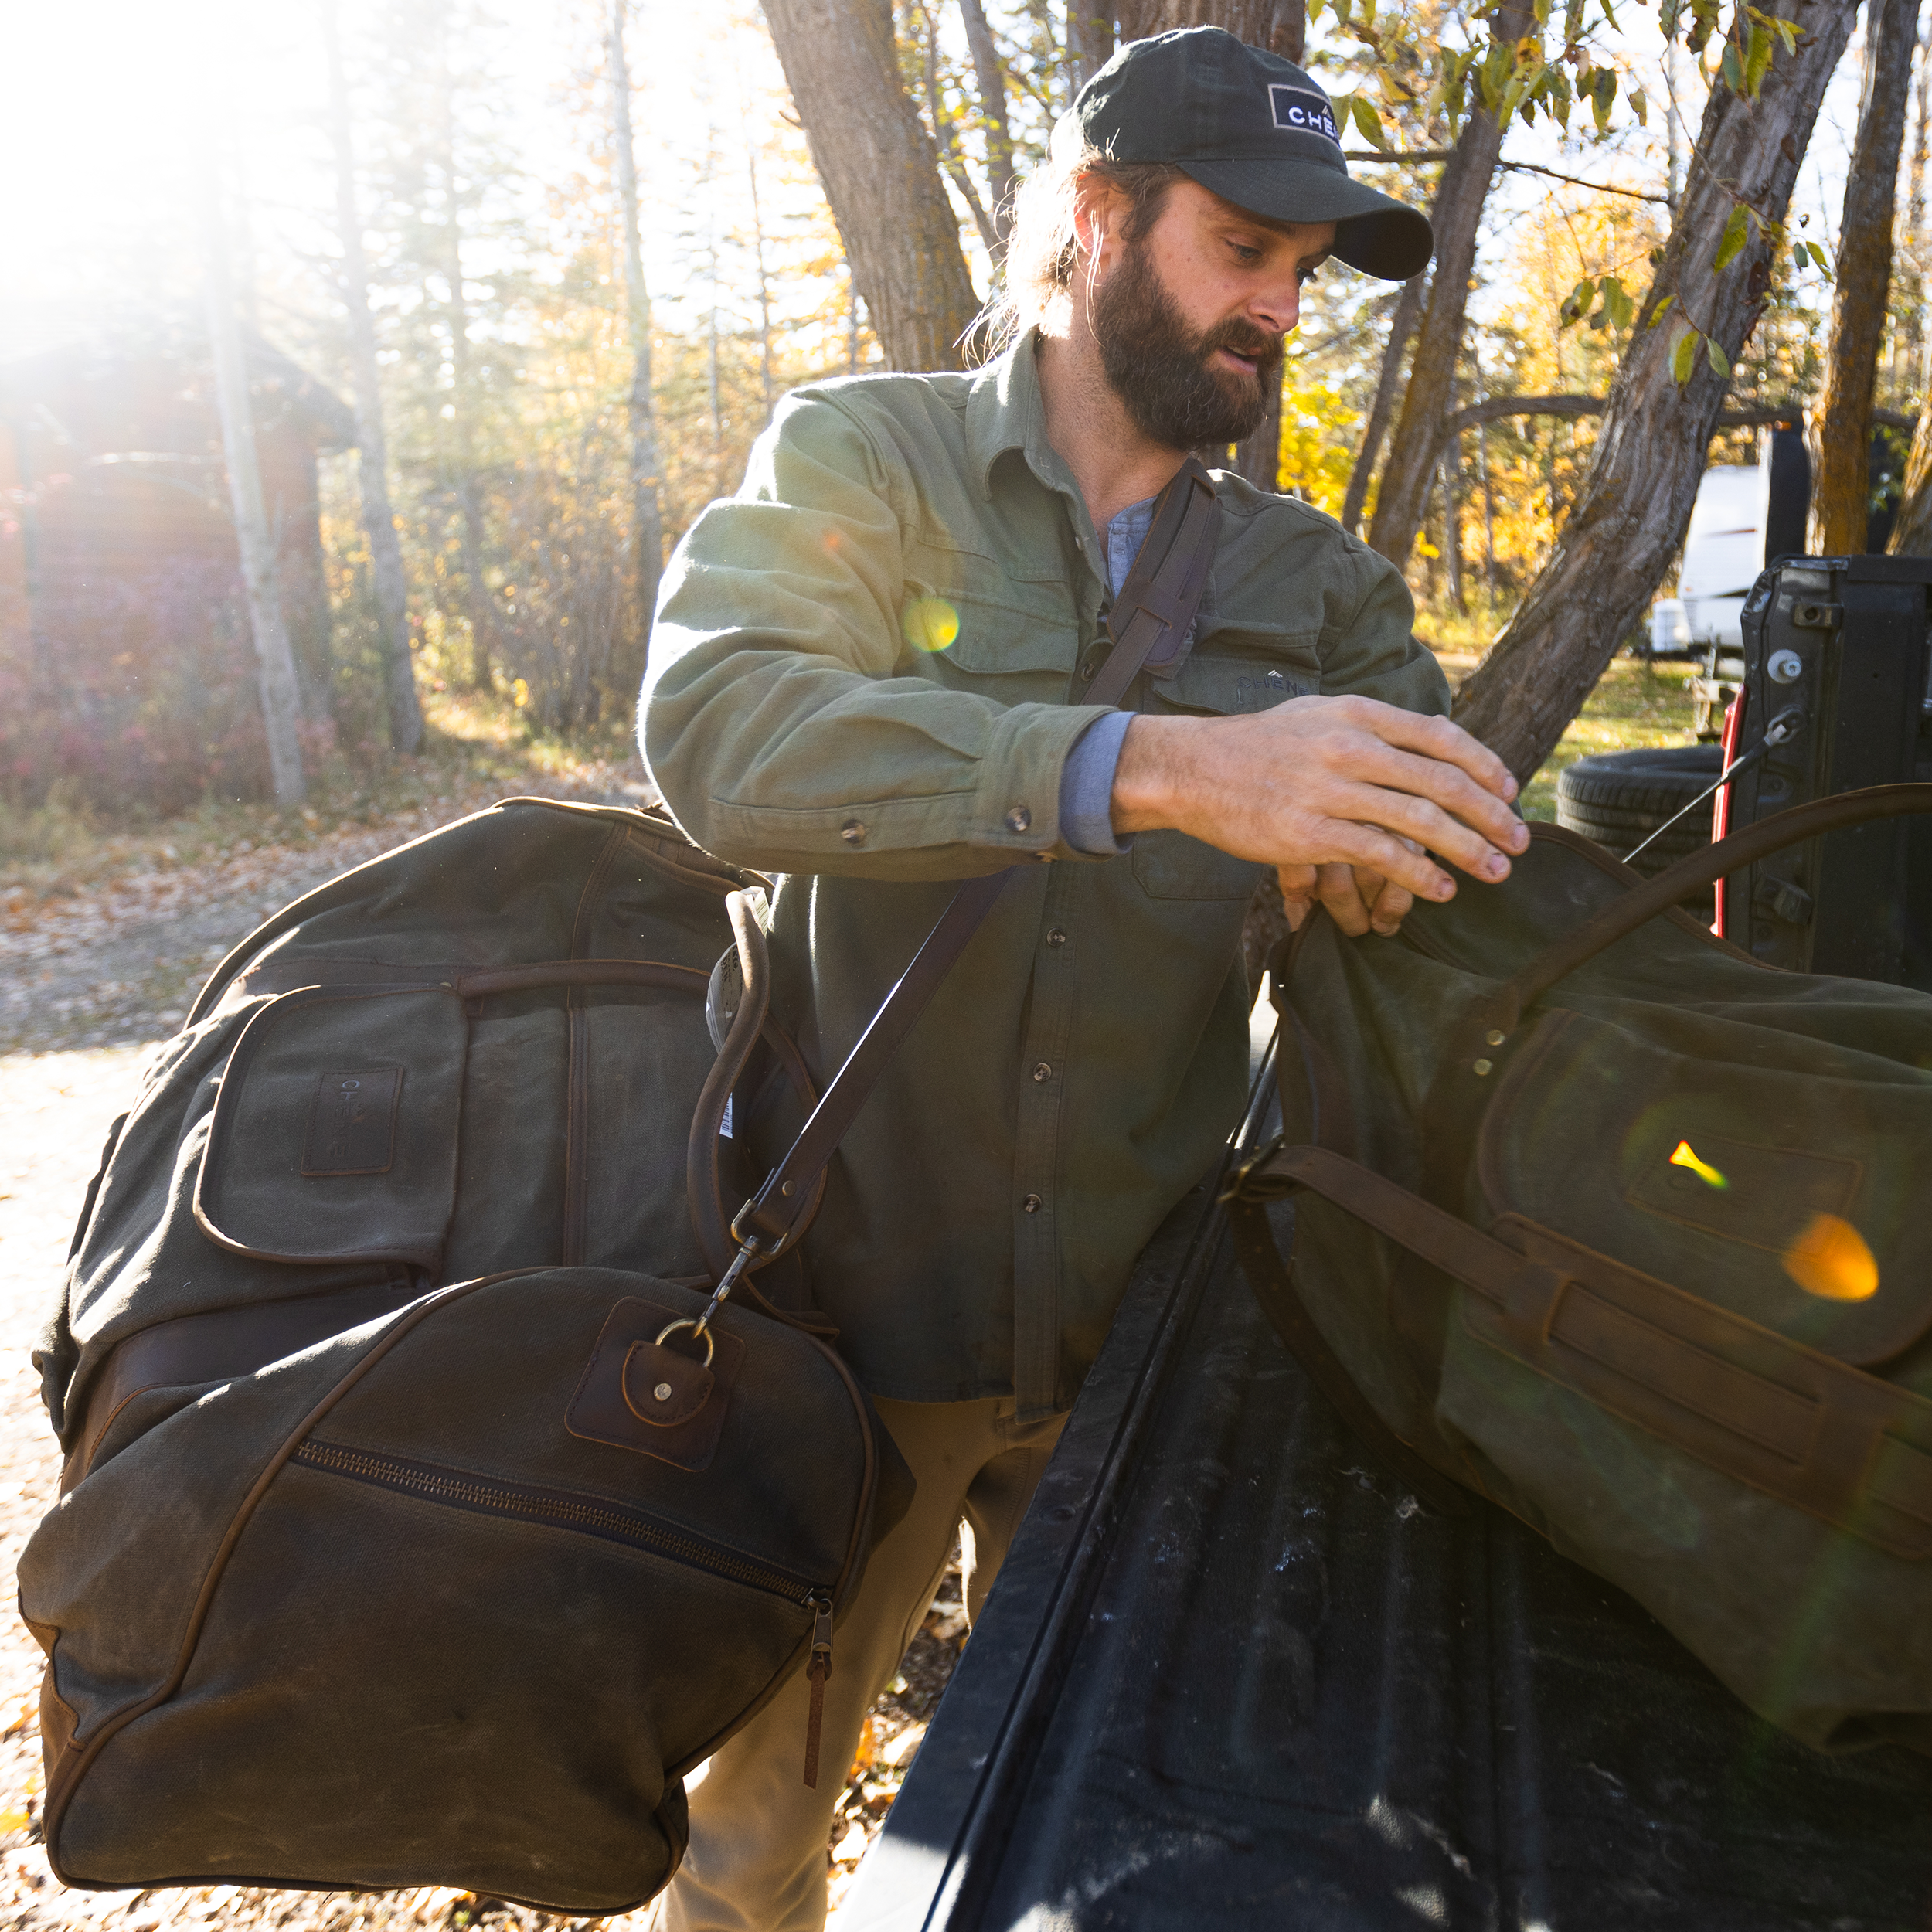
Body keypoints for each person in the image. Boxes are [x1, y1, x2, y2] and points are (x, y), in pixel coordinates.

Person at [641, 26, 1527, 1931]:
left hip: (1147, 1341)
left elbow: (1431, 869)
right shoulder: (863, 457)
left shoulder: (1321, 589)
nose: (1278, 309)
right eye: (1243, 249)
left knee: (1089, 1850)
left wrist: (1384, 871)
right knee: (746, 1846)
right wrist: (1161, 766)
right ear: (1099, 217)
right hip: (846, 1310)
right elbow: (723, 735)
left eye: (1305, 274)